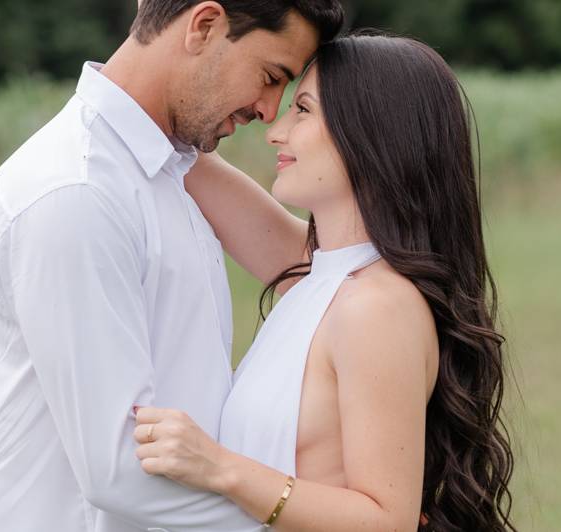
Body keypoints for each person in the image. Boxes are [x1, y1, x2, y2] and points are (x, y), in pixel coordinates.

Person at [0, 1, 343, 530]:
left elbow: (316, 273)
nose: (269, 110)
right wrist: (326, 517)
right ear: (204, 26)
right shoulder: (76, 191)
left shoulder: (168, 167)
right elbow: (119, 468)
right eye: (270, 76)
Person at [133, 34, 517, 531]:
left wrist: (221, 468)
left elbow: (387, 520)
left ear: (374, 134)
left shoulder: (376, 306)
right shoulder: (320, 276)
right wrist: (163, 35)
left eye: (304, 111)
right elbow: (176, 148)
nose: (275, 131)